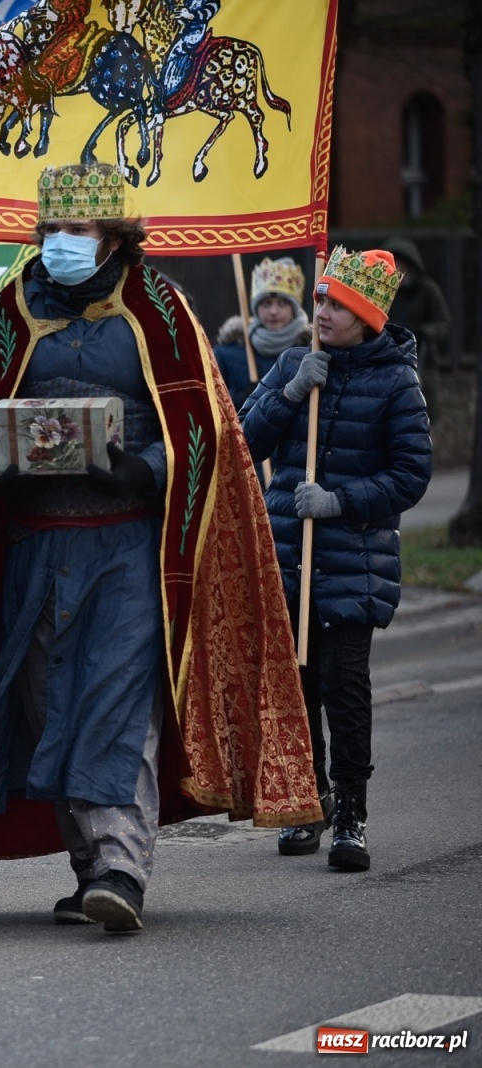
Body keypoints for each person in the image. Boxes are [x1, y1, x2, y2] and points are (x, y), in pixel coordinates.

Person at [0, 163, 322, 933]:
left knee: (115, 701)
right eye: (52, 230)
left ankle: (122, 866)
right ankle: (90, 867)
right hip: (31, 547)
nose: (61, 243)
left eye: (77, 231)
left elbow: (206, 430)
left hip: (127, 548)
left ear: (114, 236)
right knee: (48, 706)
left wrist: (142, 467)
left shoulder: (161, 309)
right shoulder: (13, 309)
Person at [240, 246, 431, 872]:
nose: (321, 312)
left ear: (366, 317)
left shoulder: (396, 380)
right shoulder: (294, 363)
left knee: (343, 690)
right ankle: (310, 800)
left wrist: (340, 501)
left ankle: (352, 812)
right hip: (290, 558)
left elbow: (411, 473)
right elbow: (242, 441)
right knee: (297, 687)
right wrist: (292, 391)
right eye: (320, 299)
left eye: (337, 305)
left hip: (355, 564)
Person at [214, 256, 311, 411]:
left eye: (282, 303)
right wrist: (241, 400)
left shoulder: (309, 352)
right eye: (266, 303)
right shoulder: (226, 354)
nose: (273, 311)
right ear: (256, 307)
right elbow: (212, 404)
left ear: (294, 309)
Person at [383, 237, 449, 424]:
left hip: (421, 358)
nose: (398, 270)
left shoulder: (427, 290)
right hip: (388, 356)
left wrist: (423, 332)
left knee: (422, 411)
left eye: (401, 265)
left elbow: (442, 323)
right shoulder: (384, 292)